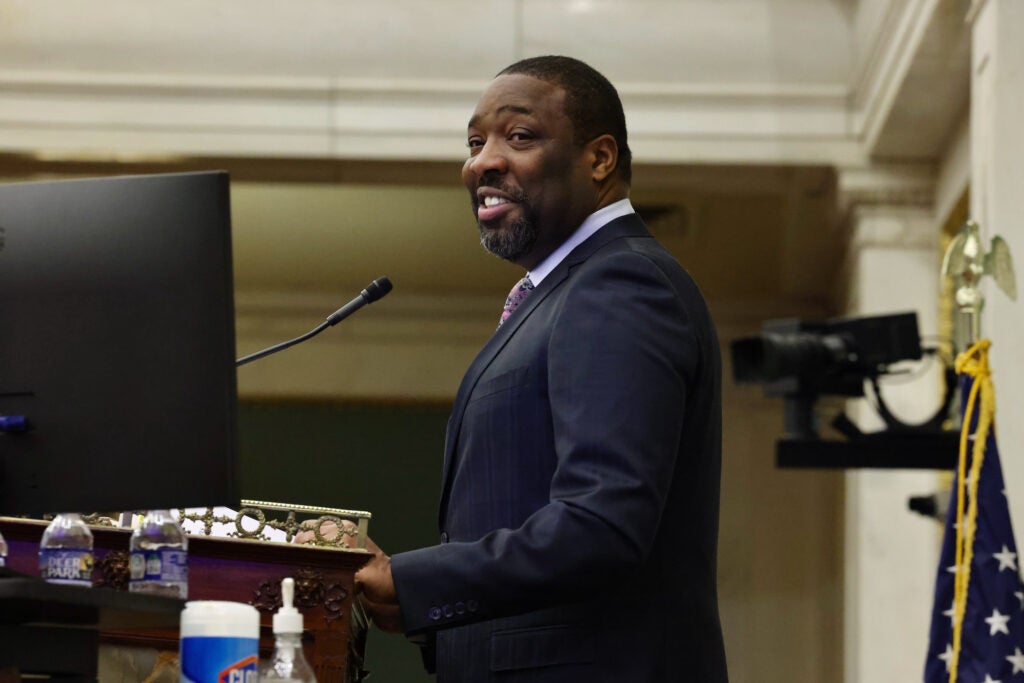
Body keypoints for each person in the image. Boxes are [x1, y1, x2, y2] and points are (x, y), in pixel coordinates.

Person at [355, 55, 728, 683]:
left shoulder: (619, 282)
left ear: (600, 159)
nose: (482, 162)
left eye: (519, 136)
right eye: (475, 143)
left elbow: (602, 524)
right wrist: (415, 602)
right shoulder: (558, 296)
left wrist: (415, 581)